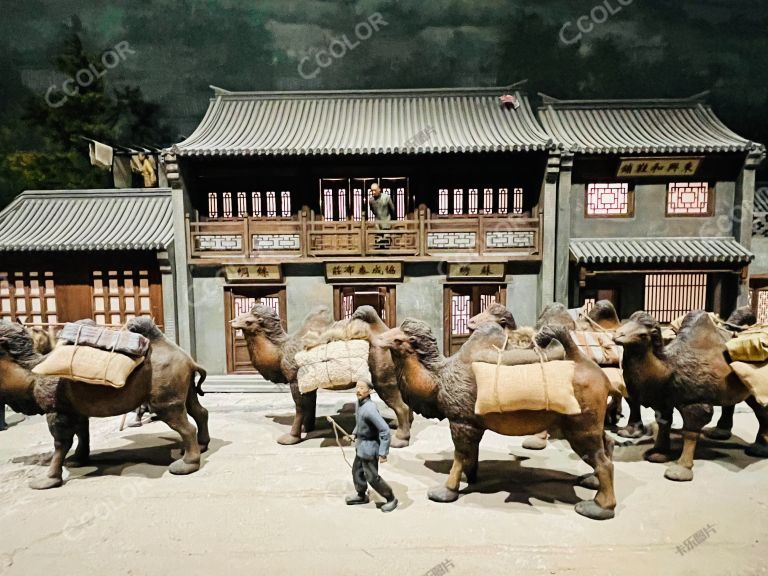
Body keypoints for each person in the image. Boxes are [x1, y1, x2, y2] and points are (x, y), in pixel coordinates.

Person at [345, 380, 398, 512]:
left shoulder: (370, 409)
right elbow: (360, 422)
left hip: (369, 448)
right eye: (357, 387)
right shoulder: (360, 404)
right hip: (361, 446)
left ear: (370, 391)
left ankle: (391, 498)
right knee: (357, 471)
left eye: (362, 388)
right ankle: (361, 495)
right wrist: (354, 434)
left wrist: (383, 452)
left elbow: (385, 430)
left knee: (372, 477)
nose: (358, 390)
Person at [367, 183, 395, 249]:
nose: (373, 192)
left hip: (387, 221)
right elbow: (372, 210)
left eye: (375, 190)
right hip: (377, 222)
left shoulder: (386, 197)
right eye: (372, 191)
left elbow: (392, 209)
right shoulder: (371, 200)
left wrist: (391, 219)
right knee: (379, 240)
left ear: (379, 189)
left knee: (386, 240)